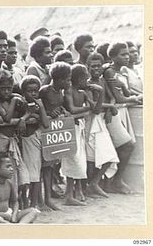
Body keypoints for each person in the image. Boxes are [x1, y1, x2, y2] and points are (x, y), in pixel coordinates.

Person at [103, 42, 141, 194]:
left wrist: (135, 97)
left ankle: (111, 181)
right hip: (113, 112)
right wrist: (136, 98)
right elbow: (119, 98)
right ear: (112, 57)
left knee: (123, 146)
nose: (127, 57)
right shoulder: (109, 72)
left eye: (128, 54)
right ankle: (115, 181)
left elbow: (127, 92)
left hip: (122, 112)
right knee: (128, 145)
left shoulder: (122, 71)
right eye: (123, 54)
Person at [63, 64, 104, 204]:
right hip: (70, 128)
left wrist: (101, 93)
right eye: (85, 78)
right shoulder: (69, 90)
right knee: (71, 159)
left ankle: (76, 190)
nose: (87, 80)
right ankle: (69, 194)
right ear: (79, 78)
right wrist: (87, 110)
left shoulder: (83, 93)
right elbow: (72, 110)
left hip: (79, 127)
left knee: (80, 160)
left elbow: (97, 110)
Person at [85, 52, 120, 198]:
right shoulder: (87, 84)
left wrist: (110, 108)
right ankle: (90, 185)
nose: (96, 69)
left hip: (101, 120)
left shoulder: (102, 81)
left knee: (108, 154)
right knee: (92, 156)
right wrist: (109, 107)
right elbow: (94, 107)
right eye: (93, 67)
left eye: (99, 66)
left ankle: (94, 183)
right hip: (91, 120)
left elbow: (112, 98)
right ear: (88, 67)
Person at [0, 70, 30, 209]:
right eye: (3, 89)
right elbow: (7, 118)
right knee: (3, 172)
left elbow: (29, 111)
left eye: (9, 88)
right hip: (1, 140)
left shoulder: (16, 98)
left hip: (14, 139)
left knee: (18, 171)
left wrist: (22, 119)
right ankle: (5, 203)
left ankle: (19, 200)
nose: (7, 92)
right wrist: (14, 100)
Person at [39, 62, 71, 211]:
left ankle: (48, 199)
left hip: (53, 134)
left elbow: (59, 106)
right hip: (40, 132)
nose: (69, 82)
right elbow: (37, 106)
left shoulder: (61, 93)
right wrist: (47, 113)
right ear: (59, 79)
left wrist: (63, 111)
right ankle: (39, 199)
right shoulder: (44, 91)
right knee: (40, 167)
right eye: (67, 79)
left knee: (49, 167)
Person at [0, 152, 39, 223]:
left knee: (33, 211)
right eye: (8, 167)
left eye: (11, 166)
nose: (11, 169)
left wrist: (14, 215)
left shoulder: (9, 184)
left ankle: (18, 227)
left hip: (8, 214)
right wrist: (4, 215)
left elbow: (15, 202)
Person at [20, 75, 49, 210]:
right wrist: (28, 115)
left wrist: (41, 108)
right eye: (29, 91)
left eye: (35, 91)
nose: (33, 93)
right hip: (23, 140)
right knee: (23, 176)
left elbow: (46, 123)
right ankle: (24, 203)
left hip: (34, 140)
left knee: (35, 174)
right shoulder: (20, 104)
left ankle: (33, 204)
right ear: (23, 92)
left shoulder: (38, 105)